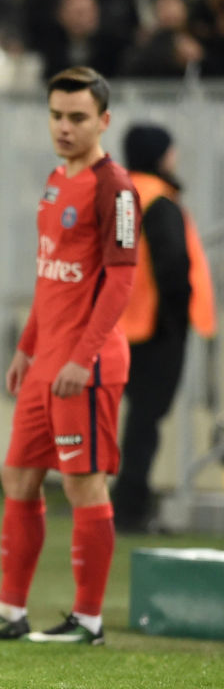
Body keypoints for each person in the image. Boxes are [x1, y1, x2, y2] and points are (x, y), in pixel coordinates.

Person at [0, 66, 140, 646]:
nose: (65, 127)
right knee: (19, 476)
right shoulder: (56, 179)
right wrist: (28, 348)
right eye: (56, 115)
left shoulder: (115, 188)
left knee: (84, 484)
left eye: (78, 117)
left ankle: (88, 620)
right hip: (46, 362)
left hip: (87, 364)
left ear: (104, 121)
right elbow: (52, 275)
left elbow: (120, 282)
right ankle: (9, 610)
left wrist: (83, 356)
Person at [113, 123, 216, 533]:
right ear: (160, 155)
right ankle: (131, 508)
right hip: (156, 328)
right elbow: (173, 264)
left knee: (128, 420)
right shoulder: (160, 201)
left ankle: (119, 503)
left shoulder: (123, 195)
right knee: (145, 423)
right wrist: (177, 317)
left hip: (120, 324)